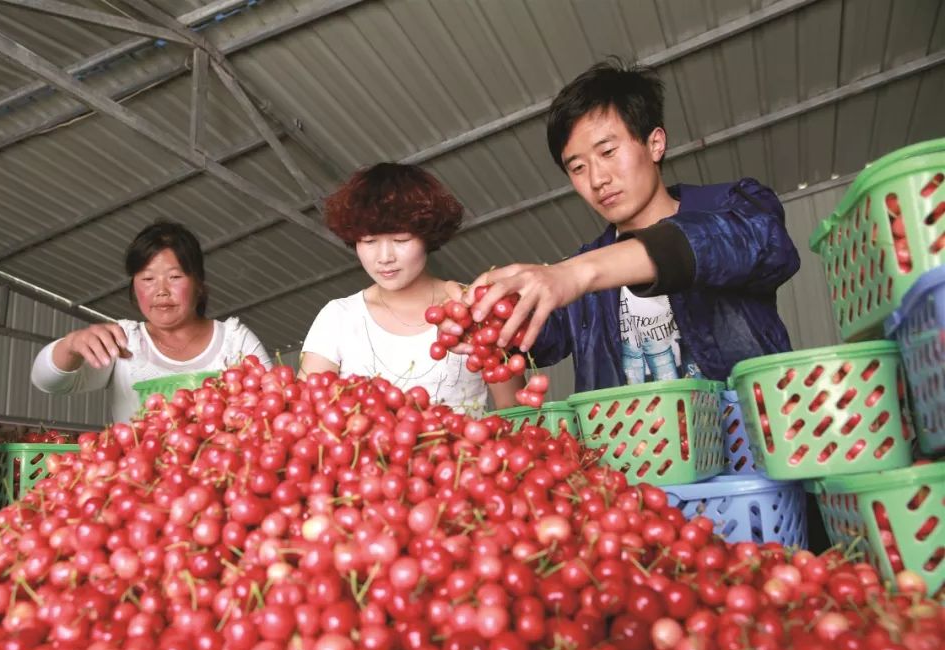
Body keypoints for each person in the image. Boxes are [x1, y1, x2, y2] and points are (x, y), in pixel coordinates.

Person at [441, 59, 801, 391]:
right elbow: (539, 340)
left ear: (655, 143)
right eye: (578, 168)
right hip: (632, 457)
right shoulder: (580, 272)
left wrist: (580, 273)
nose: (597, 179)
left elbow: (754, 244)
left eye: (608, 152)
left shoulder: (734, 208)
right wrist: (485, 324)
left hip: (747, 452)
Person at [300, 163, 522, 415]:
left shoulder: (474, 308)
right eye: (369, 241)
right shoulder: (338, 317)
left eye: (401, 240)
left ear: (428, 235)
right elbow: (306, 416)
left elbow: (515, 411)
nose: (384, 257)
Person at [31, 221, 271, 422]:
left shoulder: (235, 341)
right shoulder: (122, 341)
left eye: (174, 277)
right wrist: (71, 345)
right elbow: (49, 382)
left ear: (198, 283)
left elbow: (272, 407)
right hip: (138, 479)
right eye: (147, 279)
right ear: (134, 288)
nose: (161, 291)